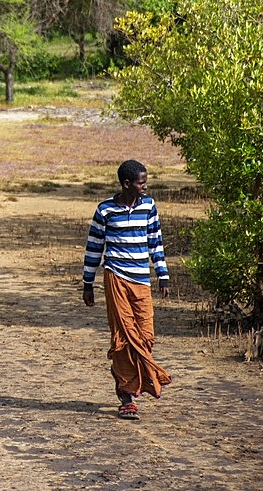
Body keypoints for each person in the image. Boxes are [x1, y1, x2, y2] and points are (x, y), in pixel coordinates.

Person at [82, 159, 171, 421]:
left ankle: (136, 379)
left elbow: (155, 241)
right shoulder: (106, 210)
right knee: (123, 337)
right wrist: (88, 284)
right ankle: (127, 396)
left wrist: (162, 274)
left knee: (144, 335)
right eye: (141, 183)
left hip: (141, 281)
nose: (145, 187)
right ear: (127, 184)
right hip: (116, 278)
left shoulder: (149, 206)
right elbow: (94, 248)